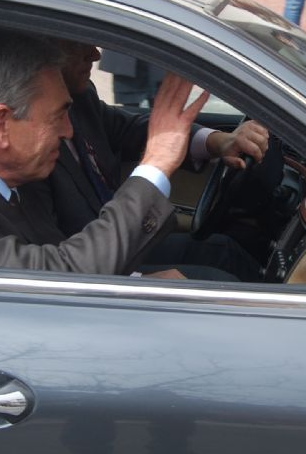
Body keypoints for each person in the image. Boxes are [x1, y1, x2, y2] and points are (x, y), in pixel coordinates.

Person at [0, 30, 209, 278]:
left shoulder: (13, 178)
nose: (69, 131)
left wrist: (140, 281)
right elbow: (59, 276)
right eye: (57, 116)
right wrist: (155, 164)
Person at [42, 40, 269, 281]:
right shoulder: (24, 160)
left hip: (120, 238)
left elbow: (127, 129)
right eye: (76, 46)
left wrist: (219, 142)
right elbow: (58, 271)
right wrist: (139, 282)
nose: (95, 55)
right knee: (222, 282)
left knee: (225, 251)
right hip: (92, 267)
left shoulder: (80, 98)